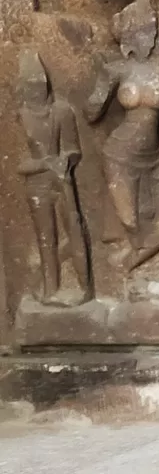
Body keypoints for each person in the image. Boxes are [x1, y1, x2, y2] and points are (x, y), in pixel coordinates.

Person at [85, 0, 159, 272]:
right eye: (137, 29)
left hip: (153, 157)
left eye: (148, 29)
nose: (144, 35)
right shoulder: (117, 69)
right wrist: (101, 77)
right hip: (118, 153)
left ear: (156, 32)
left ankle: (130, 265)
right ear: (124, 34)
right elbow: (91, 113)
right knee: (130, 221)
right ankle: (134, 275)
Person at [17, 50, 92, 306]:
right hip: (36, 185)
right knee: (46, 239)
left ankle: (84, 288)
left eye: (40, 86)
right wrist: (43, 163)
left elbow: (73, 148)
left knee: (75, 229)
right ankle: (50, 290)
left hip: (61, 180)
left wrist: (64, 161)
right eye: (31, 87)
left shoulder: (62, 111)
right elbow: (19, 164)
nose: (37, 91)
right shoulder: (22, 116)